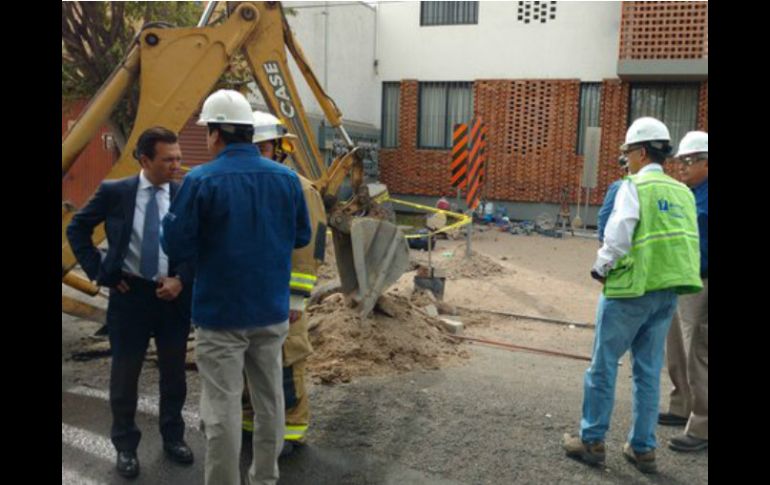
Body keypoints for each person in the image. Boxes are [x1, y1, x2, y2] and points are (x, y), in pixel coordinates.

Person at [161, 90, 312, 485]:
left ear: (215, 134)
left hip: (220, 314)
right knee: (270, 401)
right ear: (248, 131)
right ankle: (265, 478)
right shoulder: (288, 179)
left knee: (223, 408)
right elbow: (301, 236)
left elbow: (175, 245)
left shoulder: (200, 179)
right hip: (271, 312)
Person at [562, 117, 702, 474]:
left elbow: (619, 235)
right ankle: (643, 448)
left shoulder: (632, 187)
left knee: (604, 366)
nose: (626, 159)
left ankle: (591, 440)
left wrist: (600, 267)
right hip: (666, 293)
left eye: (627, 152)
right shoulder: (682, 192)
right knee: (648, 371)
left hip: (628, 292)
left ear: (640, 152)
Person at [67, 127, 194, 478]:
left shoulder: (184, 194)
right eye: (168, 159)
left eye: (179, 158)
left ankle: (173, 438)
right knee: (124, 376)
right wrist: (102, 272)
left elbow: (197, 243)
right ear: (144, 160)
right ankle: (125, 446)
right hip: (130, 297)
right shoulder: (115, 192)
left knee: (174, 375)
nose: (176, 165)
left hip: (173, 299)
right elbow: (77, 228)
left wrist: (181, 279)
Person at [241, 111, 327, 456]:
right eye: (252, 147)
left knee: (287, 365)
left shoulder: (300, 189)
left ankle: (290, 432)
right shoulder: (245, 184)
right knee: (250, 366)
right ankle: (252, 425)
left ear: (278, 149)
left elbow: (309, 249)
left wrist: (296, 298)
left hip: (283, 298)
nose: (257, 153)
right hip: (248, 296)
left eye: (263, 147)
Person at [659, 131, 708, 452]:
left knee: (698, 351)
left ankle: (702, 425)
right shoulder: (690, 193)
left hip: (702, 282)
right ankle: (682, 405)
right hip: (683, 278)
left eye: (690, 161)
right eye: (681, 161)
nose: (683, 167)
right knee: (676, 346)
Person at [597, 157, 629, 244]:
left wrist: (602, 238)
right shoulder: (648, 187)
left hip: (618, 239)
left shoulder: (618, 186)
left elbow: (605, 213)